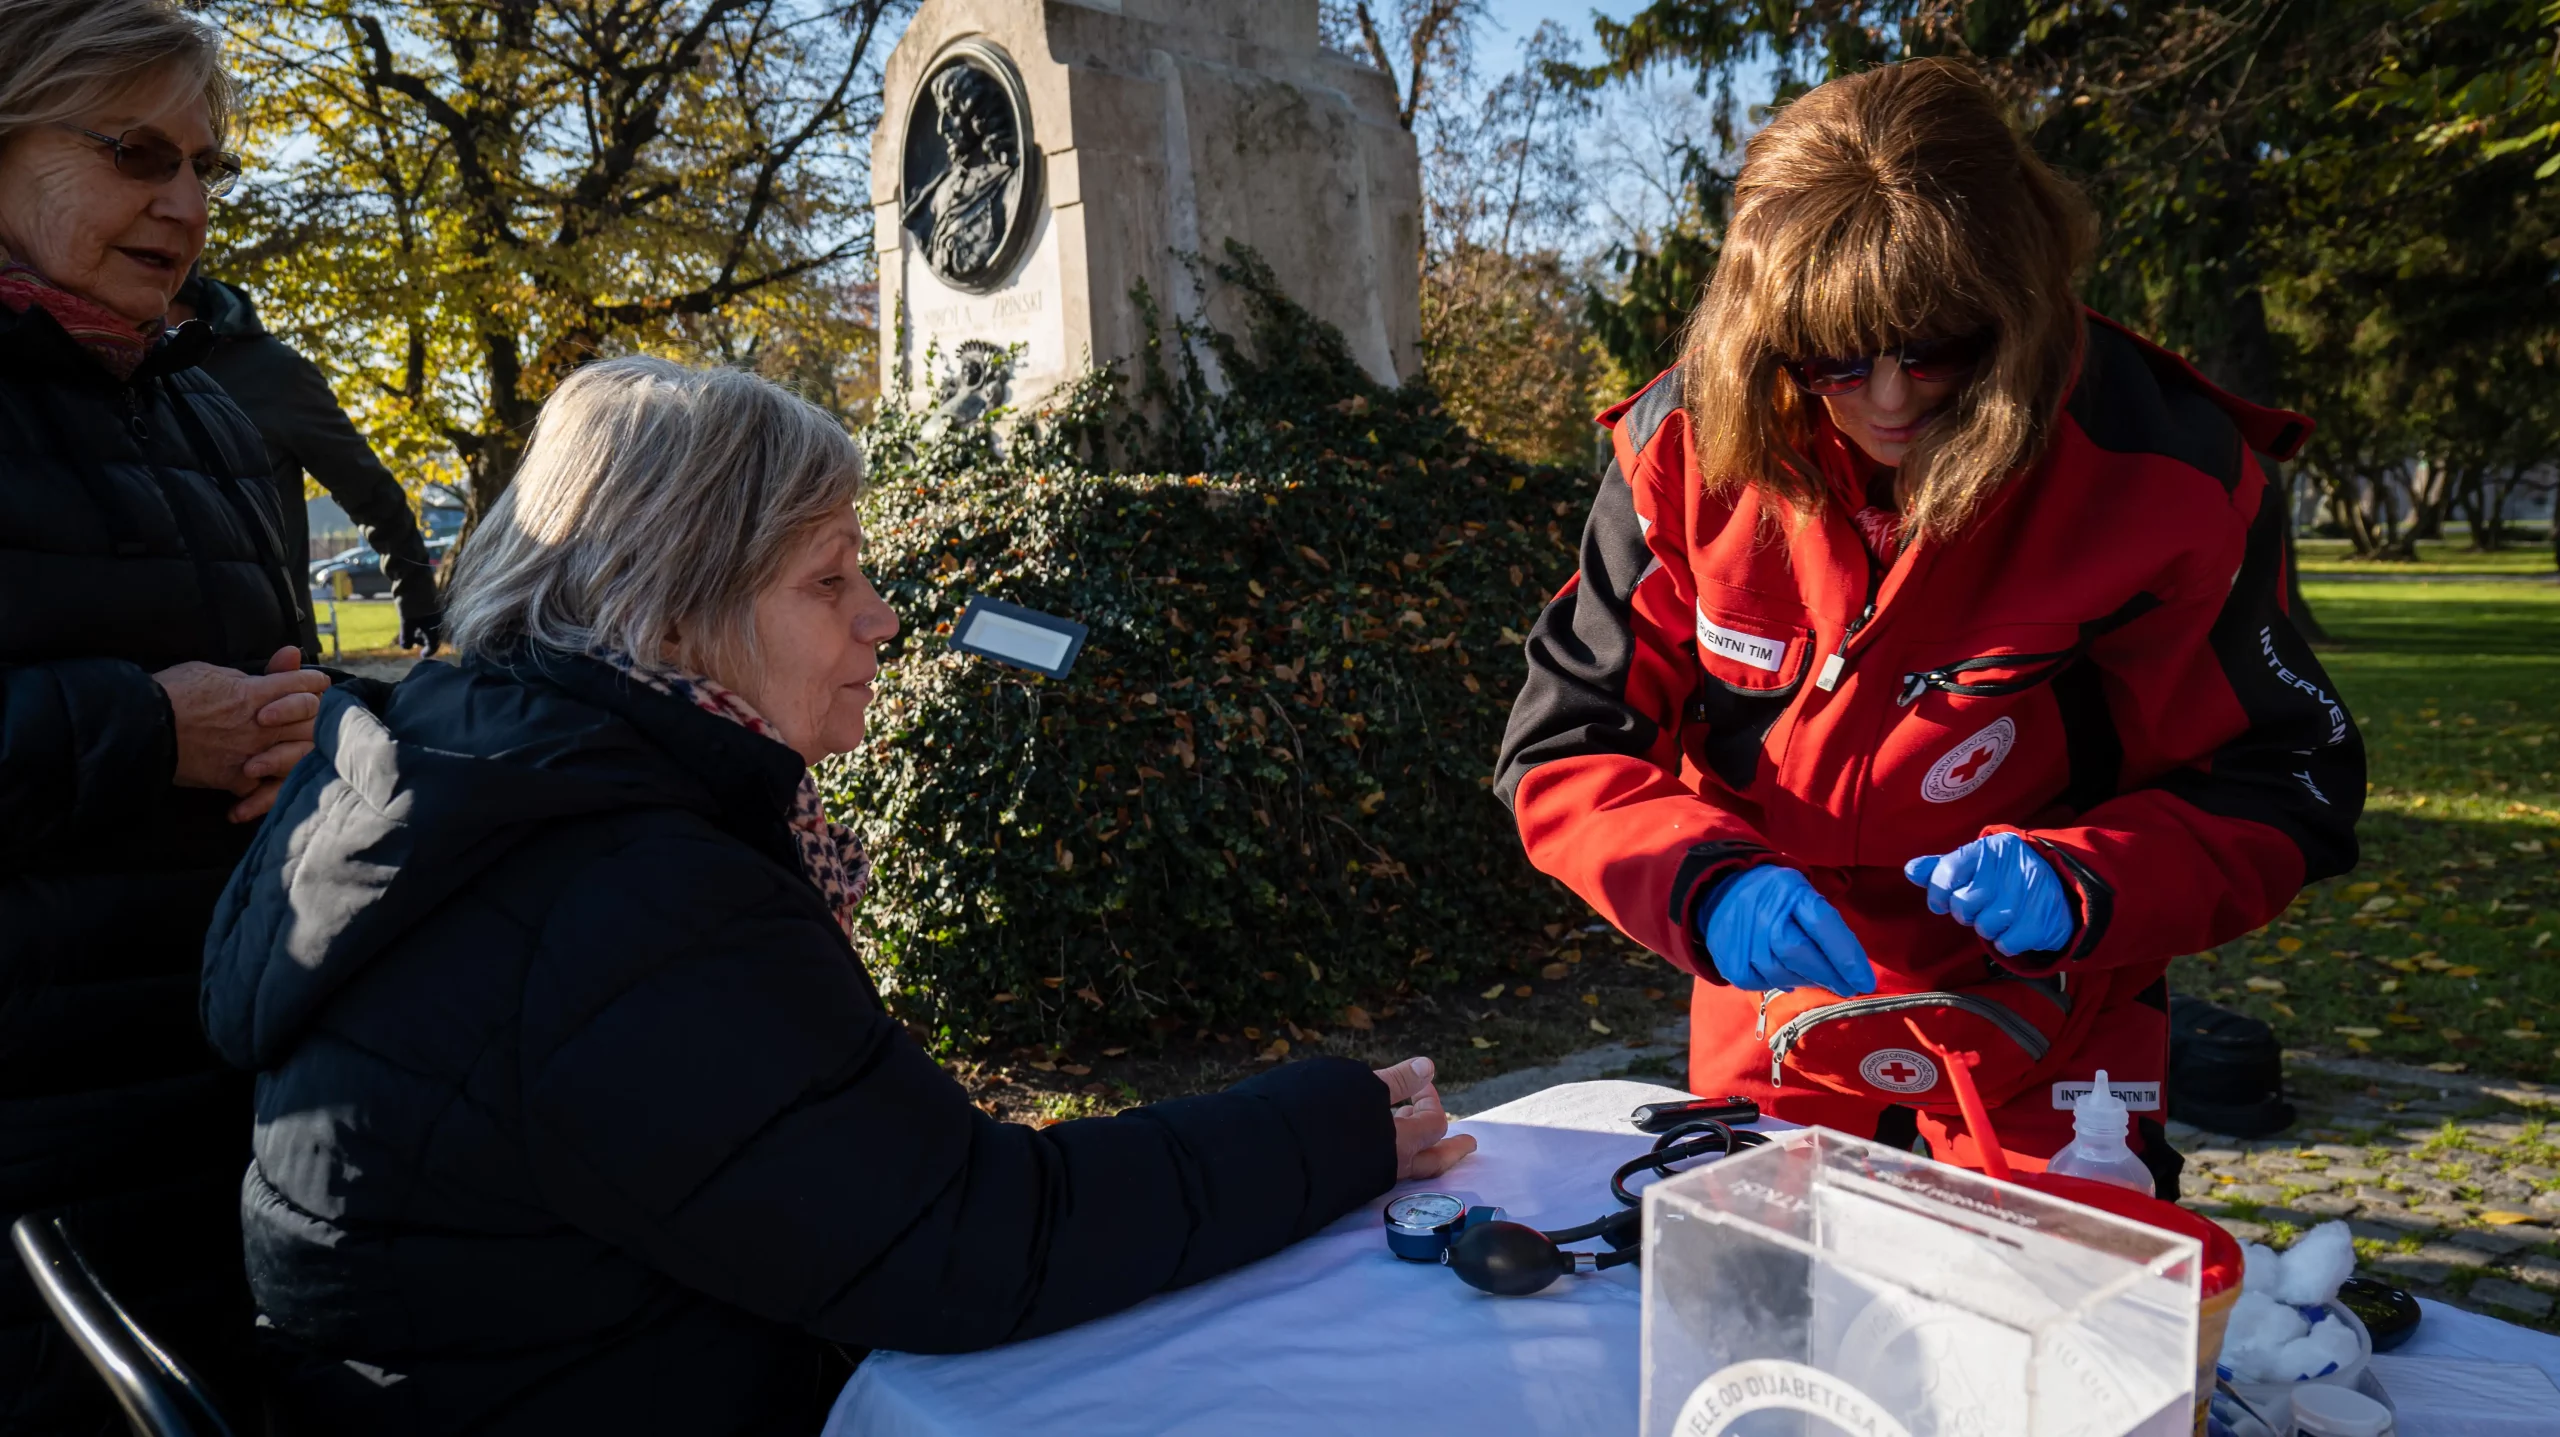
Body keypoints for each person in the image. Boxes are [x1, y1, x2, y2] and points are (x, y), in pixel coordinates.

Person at [201, 356, 1475, 1435]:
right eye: (828, 581)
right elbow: (965, 1245)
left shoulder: (468, 783)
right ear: (671, 611)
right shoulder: (626, 885)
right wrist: (1322, 1131)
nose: (883, 618)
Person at [1496, 59, 2364, 1189]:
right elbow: (1564, 747)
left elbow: (2282, 782)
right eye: (1833, 355)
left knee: (2057, 1283)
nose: (1889, 401)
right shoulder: (1682, 448)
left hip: (2053, 987)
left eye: (1939, 345)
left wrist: (2086, 881)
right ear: (1767, 329)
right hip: (1773, 981)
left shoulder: (2165, 469)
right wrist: (1702, 885)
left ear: (2019, 300)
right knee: (1754, 1266)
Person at [0, 0, 328, 1424]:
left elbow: (270, 683)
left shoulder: (211, 416)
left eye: (207, 165)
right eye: (136, 153)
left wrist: (312, 732)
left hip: (227, 1125)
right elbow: (162, 715)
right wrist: (142, 730)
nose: (186, 203)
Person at [173, 269, 443, 658]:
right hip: (130, 660)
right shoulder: (99, 368)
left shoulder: (274, 373)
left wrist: (415, 587)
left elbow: (366, 488)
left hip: (267, 655)